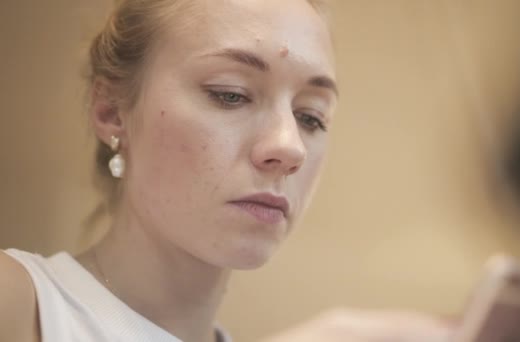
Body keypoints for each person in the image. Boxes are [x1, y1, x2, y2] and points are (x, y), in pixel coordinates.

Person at [0, 0, 455, 341]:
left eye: (311, 116)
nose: (288, 146)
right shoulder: (18, 303)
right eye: (231, 93)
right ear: (112, 111)